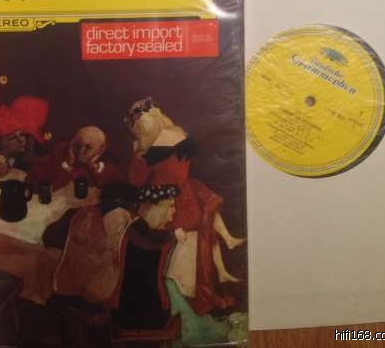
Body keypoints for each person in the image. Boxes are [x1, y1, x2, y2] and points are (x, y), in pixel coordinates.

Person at [126, 97, 245, 315]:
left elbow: (136, 180)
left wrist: (137, 155)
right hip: (188, 198)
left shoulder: (148, 147)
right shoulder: (180, 134)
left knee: (138, 231)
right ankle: (223, 256)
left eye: (135, 125)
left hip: (167, 204)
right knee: (204, 212)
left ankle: (164, 302)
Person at [112, 184, 184, 330]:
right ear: (158, 209)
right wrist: (173, 235)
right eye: (171, 206)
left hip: (144, 307)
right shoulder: (138, 230)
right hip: (139, 310)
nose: (175, 210)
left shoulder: (148, 231)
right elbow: (149, 243)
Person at [26, 125, 122, 192]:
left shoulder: (108, 162)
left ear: (101, 149)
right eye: (77, 145)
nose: (81, 151)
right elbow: (42, 183)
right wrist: (68, 165)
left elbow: (113, 188)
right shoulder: (60, 152)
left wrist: (94, 167)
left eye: (88, 147)